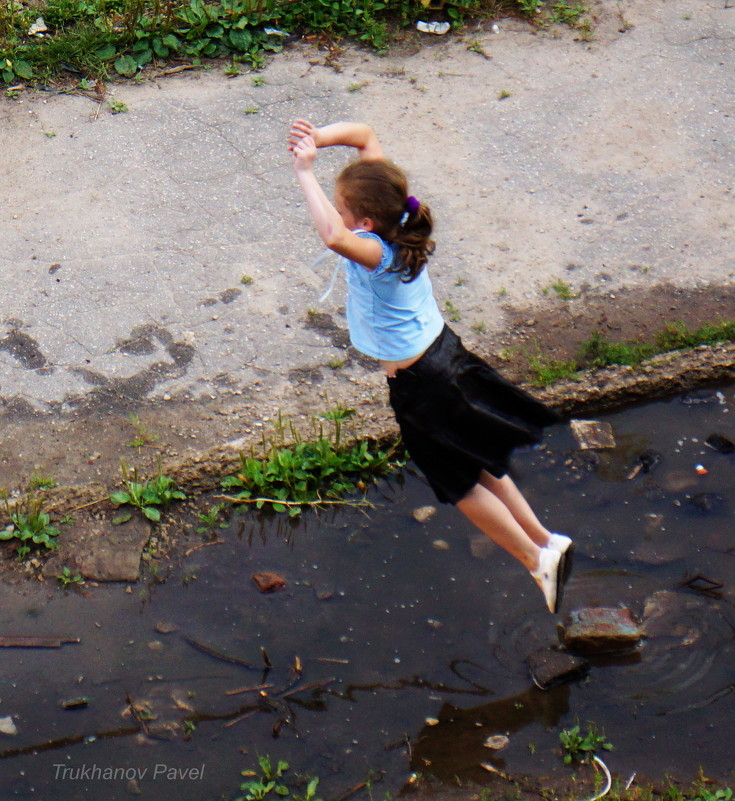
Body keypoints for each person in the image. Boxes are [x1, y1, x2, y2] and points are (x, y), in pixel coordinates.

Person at [288, 119, 572, 613]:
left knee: (457, 483)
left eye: (343, 206)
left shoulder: (375, 251)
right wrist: (320, 138)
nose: (338, 212)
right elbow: (364, 135)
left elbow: (333, 236)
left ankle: (534, 559)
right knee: (477, 461)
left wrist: (306, 170)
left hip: (421, 385)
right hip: (447, 355)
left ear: (365, 223)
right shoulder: (400, 219)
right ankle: (547, 539)